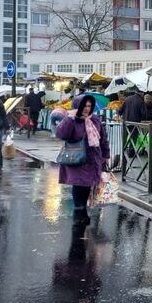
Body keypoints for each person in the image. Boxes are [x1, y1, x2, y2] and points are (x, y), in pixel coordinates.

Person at [55, 94, 109, 227]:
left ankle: (82, 209)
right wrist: (70, 118)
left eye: (89, 106)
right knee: (79, 185)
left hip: (93, 159)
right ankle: (79, 211)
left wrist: (106, 155)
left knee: (87, 185)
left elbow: (103, 139)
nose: (87, 108)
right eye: (84, 105)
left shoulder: (95, 120)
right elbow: (61, 134)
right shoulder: (71, 119)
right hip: (77, 158)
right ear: (78, 106)